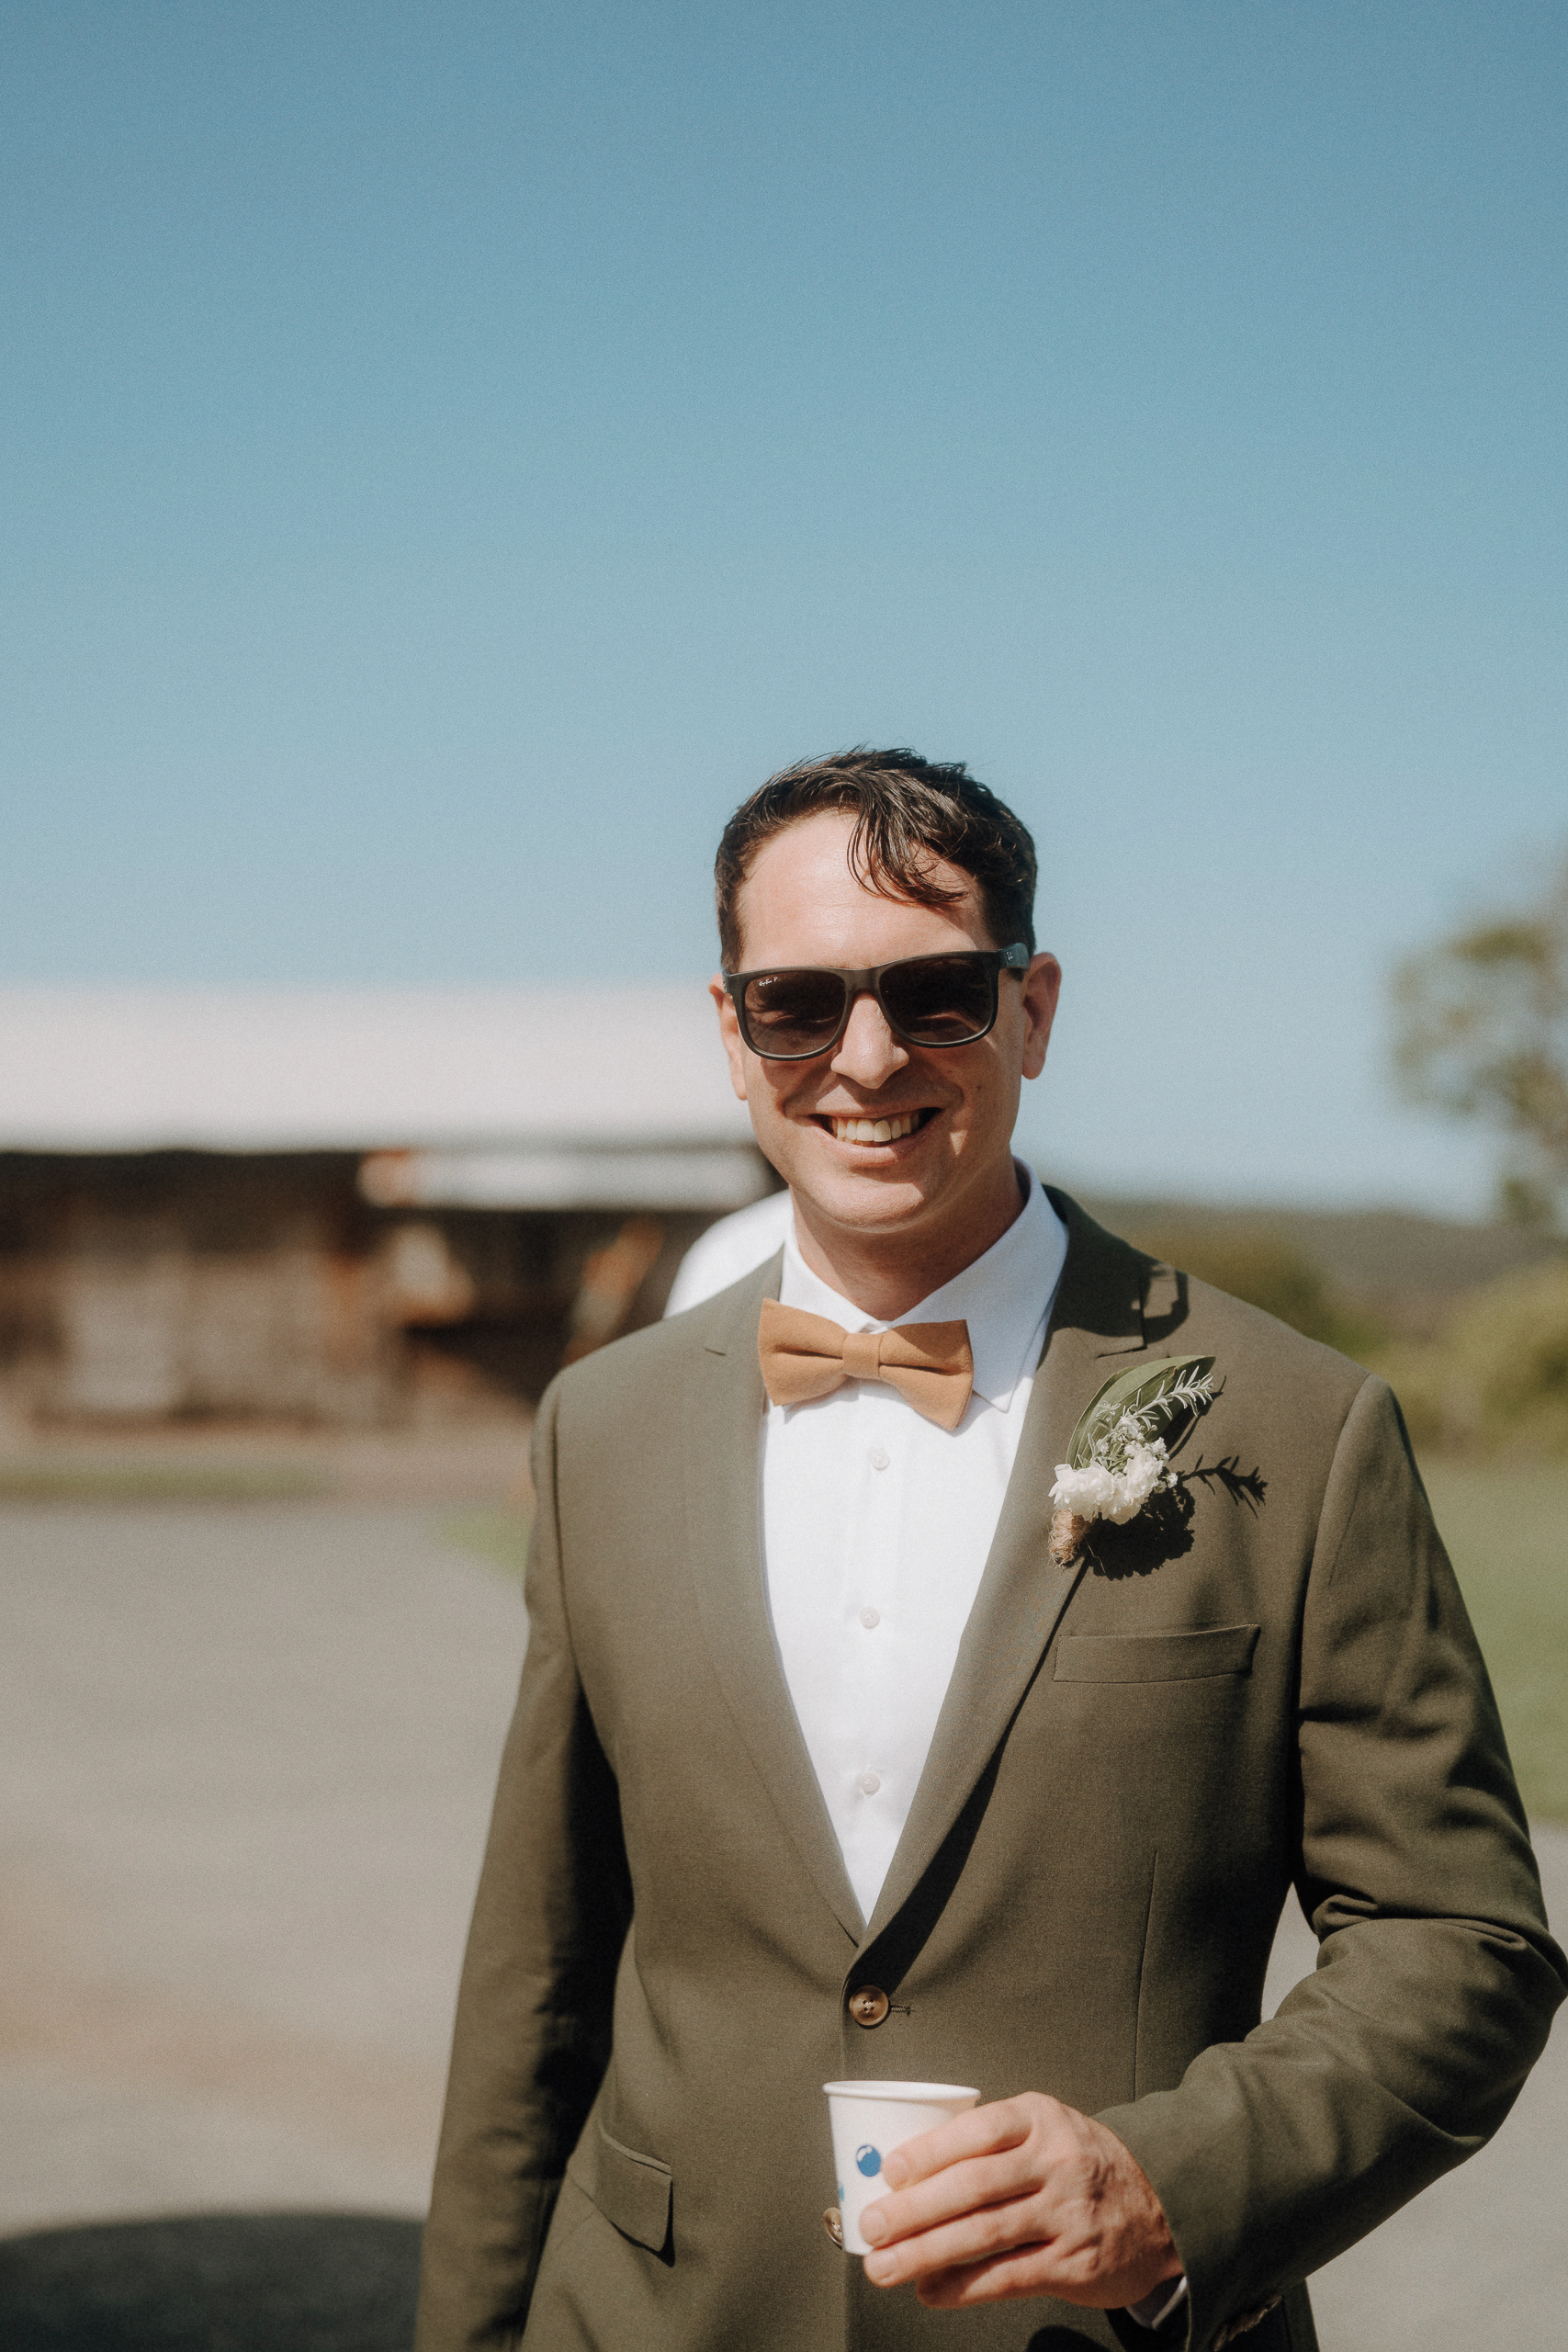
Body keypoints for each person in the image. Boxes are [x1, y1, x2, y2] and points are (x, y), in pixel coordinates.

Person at [415, 751, 1564, 2352]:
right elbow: (536, 1978)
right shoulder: (596, 1432)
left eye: (937, 993)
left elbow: (1463, 1939)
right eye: (796, 1004)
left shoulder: (1300, 1425)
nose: (864, 1057)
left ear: (1032, 1011)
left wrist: (1175, 2184)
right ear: (732, 1033)